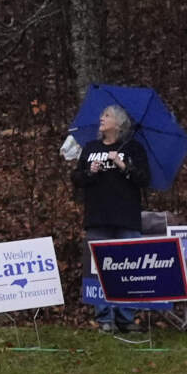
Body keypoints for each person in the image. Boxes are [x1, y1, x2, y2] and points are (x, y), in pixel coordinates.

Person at [71, 103, 150, 334]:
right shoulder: (90, 148)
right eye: (102, 114)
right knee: (99, 270)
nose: (101, 118)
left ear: (119, 123)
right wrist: (89, 172)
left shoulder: (133, 149)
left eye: (107, 115)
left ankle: (126, 317)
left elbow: (144, 179)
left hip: (126, 218)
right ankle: (104, 318)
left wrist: (123, 165)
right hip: (98, 218)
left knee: (129, 269)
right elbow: (76, 178)